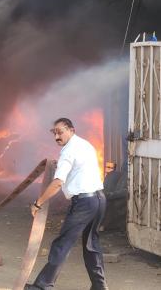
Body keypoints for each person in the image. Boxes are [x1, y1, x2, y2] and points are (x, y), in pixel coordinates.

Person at [25, 118, 108, 290]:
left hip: (84, 203)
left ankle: (42, 286)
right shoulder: (85, 145)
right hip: (99, 200)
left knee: (62, 243)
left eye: (60, 131)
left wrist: (38, 203)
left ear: (71, 130)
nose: (56, 136)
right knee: (91, 245)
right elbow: (78, 169)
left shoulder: (68, 151)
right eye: (54, 132)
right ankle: (100, 286)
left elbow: (57, 183)